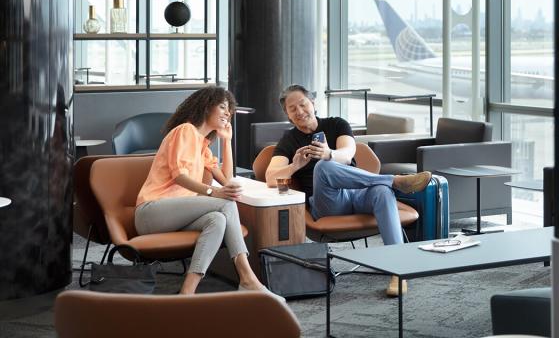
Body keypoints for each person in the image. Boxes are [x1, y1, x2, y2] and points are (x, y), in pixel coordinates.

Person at [265, 84, 431, 297]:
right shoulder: (288, 140)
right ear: (287, 115)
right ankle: (395, 181)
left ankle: (399, 273)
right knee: (323, 168)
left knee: (381, 192)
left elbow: (348, 153)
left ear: (313, 103)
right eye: (292, 109)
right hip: (328, 203)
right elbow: (271, 177)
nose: (299, 111)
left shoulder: (337, 124)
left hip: (358, 193)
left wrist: (329, 153)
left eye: (302, 104)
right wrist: (295, 165)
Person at [135, 86, 279, 300]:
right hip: (151, 212)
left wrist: (226, 141)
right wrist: (214, 192)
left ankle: (187, 293)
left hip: (175, 215)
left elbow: (228, 180)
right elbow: (179, 177)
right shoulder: (185, 131)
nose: (227, 113)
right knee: (226, 204)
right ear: (206, 106)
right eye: (223, 107)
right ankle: (248, 278)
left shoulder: (203, 146)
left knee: (217, 220)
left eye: (229, 109)